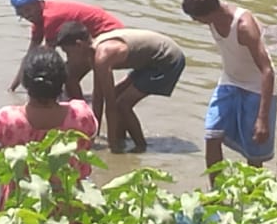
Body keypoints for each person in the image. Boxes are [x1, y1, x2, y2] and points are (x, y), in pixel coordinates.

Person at [0, 47, 98, 213]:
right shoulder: (81, 115)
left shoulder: (7, 119)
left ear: (26, 83)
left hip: (22, 213)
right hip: (71, 208)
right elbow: (87, 152)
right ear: (62, 81)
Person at [181, 0, 277, 185]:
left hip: (255, 87)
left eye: (196, 17)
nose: (195, 22)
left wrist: (263, 118)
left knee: (254, 152)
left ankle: (254, 198)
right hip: (229, 82)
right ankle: (216, 193)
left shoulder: (243, 26)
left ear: (210, 13)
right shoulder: (213, 19)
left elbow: (267, 70)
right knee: (212, 135)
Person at [54, 22, 186, 153]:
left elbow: (110, 105)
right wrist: (93, 134)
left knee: (122, 104)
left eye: (68, 52)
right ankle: (121, 138)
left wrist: (113, 148)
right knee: (117, 96)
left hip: (167, 59)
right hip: (148, 61)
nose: (68, 58)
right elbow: (98, 96)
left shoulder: (103, 56)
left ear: (79, 45)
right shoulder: (93, 52)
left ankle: (140, 146)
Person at [8, 0, 124, 91]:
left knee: (68, 77)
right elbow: (30, 55)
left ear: (38, 4)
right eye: (21, 14)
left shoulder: (51, 17)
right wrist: (13, 88)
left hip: (109, 34)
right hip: (88, 39)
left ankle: (79, 110)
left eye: (28, 10)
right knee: (67, 76)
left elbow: (49, 55)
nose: (27, 16)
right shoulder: (38, 20)